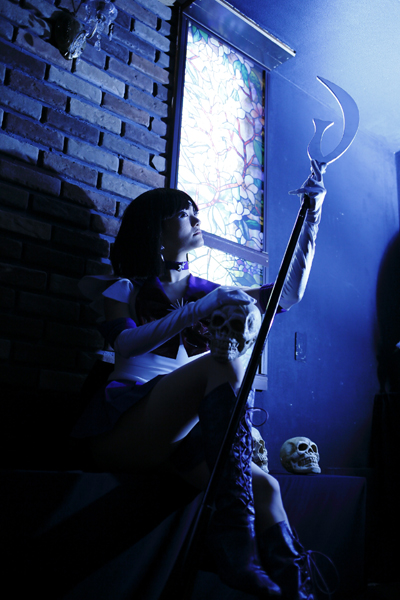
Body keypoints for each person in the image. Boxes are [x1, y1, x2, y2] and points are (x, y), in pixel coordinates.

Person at [71, 160, 326, 599]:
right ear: (156, 228)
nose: (197, 219)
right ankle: (235, 546)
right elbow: (126, 344)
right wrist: (198, 310)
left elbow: (286, 295)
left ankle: (297, 591)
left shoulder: (207, 292)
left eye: (196, 212)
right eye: (185, 213)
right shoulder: (124, 288)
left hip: (181, 437)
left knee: (266, 487)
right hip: (126, 427)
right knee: (220, 360)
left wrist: (312, 216)